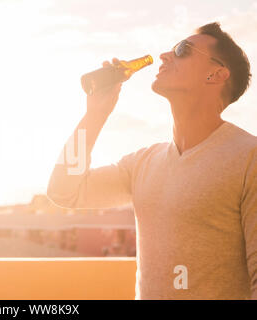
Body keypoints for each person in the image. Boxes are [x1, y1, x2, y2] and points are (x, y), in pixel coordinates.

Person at [47, 22, 256, 299]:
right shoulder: (143, 163)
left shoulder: (248, 157)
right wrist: (95, 114)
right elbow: (64, 191)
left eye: (182, 50)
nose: (164, 56)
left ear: (216, 74)